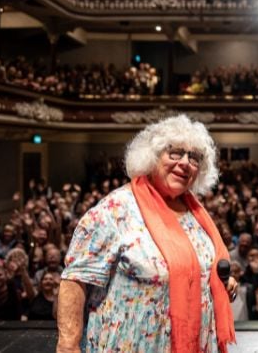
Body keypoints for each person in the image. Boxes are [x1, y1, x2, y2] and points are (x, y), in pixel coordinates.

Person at [57, 115, 237, 353]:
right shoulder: (114, 210)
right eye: (175, 152)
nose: (185, 163)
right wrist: (68, 346)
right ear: (151, 157)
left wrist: (213, 281)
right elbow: (75, 280)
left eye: (194, 158)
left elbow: (191, 266)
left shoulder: (196, 212)